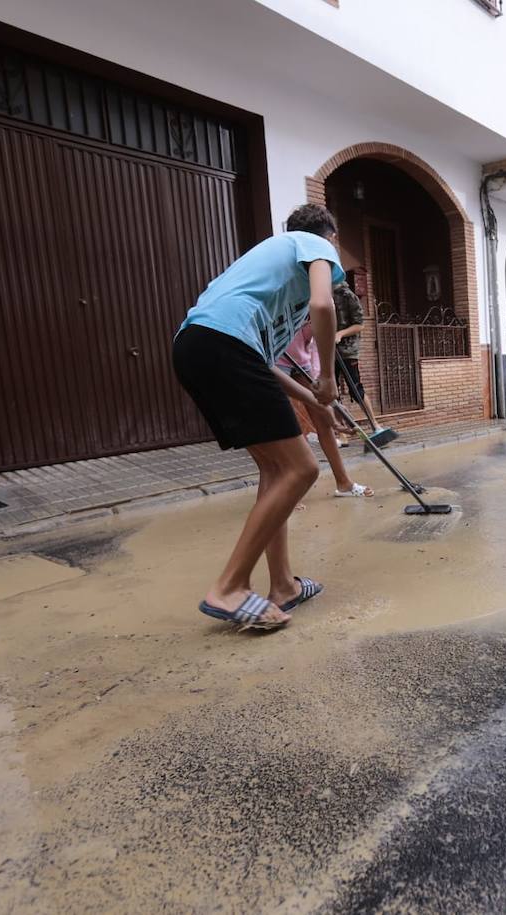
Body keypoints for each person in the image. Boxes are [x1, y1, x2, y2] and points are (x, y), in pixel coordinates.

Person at [172, 203, 345, 630]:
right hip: (222, 346)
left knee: (276, 471)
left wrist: (314, 398)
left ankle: (283, 585)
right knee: (302, 469)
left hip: (198, 348)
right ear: (332, 237)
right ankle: (229, 587)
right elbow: (325, 306)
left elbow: (264, 364)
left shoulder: (269, 279)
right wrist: (327, 379)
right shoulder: (314, 243)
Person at [281, 318, 373, 497]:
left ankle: (344, 483)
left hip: (302, 359)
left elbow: (316, 345)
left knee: (323, 420)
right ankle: (287, 493)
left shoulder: (316, 306)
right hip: (276, 359)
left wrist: (323, 387)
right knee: (285, 424)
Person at [332, 282, 379, 435]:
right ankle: (343, 432)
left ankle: (375, 425)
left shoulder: (347, 295)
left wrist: (340, 334)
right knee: (333, 392)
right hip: (327, 352)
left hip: (347, 351)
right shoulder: (319, 295)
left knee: (356, 389)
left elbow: (360, 325)